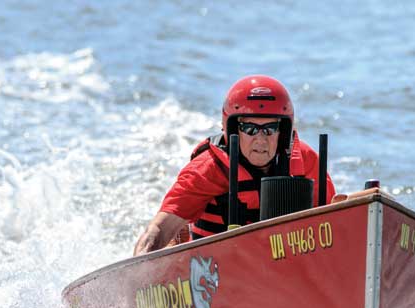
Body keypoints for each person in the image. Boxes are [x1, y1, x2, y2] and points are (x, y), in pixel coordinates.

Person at [133, 75, 336, 255]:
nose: (260, 139)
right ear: (233, 131)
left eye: (270, 128)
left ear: (282, 131)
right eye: (249, 128)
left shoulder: (307, 161)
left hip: (285, 268)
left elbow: (333, 223)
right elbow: (159, 229)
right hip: (211, 271)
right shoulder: (206, 169)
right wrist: (138, 270)